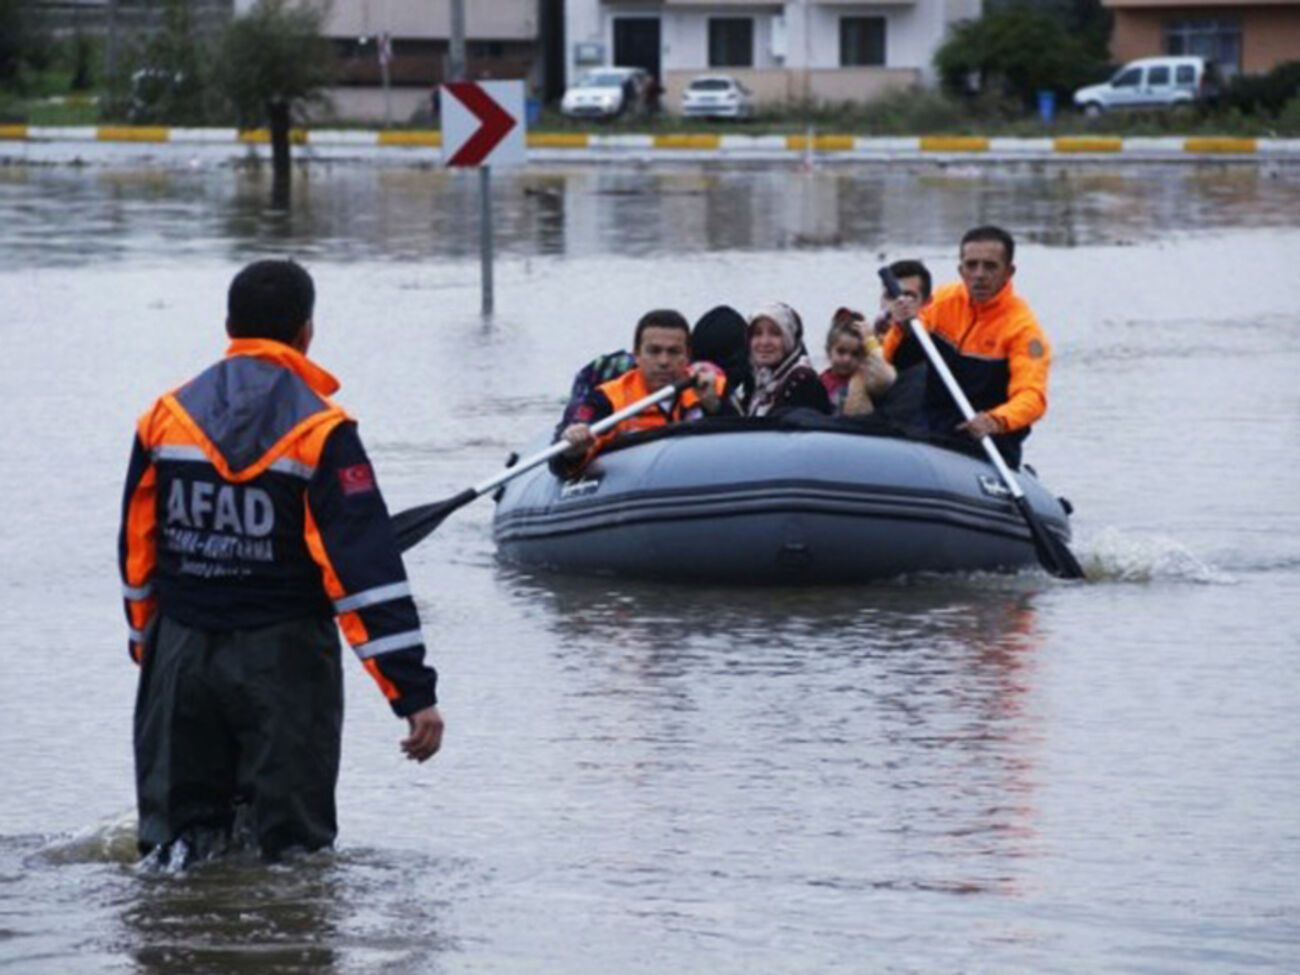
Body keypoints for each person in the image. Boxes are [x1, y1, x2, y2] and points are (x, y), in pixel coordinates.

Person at [118, 259, 443, 864]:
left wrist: (149, 648)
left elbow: (138, 549)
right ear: (306, 333)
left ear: (228, 324)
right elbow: (362, 573)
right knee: (293, 856)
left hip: (181, 652)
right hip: (285, 662)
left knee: (173, 851)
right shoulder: (322, 430)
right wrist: (411, 690)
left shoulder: (163, 416)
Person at [881, 228, 1049, 467]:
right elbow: (892, 359)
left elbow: (1032, 398)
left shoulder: (1024, 330)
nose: (979, 275)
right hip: (931, 428)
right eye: (971, 265)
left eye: (990, 266)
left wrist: (996, 420)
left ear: (1009, 272)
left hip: (985, 441)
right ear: (961, 269)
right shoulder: (940, 303)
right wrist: (901, 329)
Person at [554, 309, 730, 477]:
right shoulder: (608, 399)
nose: (664, 361)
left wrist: (714, 408)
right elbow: (559, 462)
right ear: (637, 354)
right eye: (654, 351)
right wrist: (574, 450)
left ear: (688, 356)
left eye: (674, 352)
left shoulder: (712, 388)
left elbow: (739, 445)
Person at [864, 259, 932, 423]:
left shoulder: (936, 350)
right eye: (890, 296)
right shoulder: (862, 340)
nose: (899, 304)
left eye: (909, 297)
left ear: (927, 303)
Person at [743, 301, 831, 417]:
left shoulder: (802, 381)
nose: (764, 342)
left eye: (775, 334)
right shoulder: (761, 381)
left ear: (789, 339)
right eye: (757, 334)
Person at [821, 307, 896, 416]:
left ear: (864, 356)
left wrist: (870, 343)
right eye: (841, 352)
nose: (847, 359)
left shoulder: (867, 380)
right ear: (828, 351)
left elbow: (886, 378)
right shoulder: (820, 381)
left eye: (855, 354)